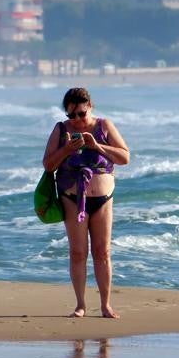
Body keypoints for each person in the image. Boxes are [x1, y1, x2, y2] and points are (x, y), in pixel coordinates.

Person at [42, 87, 131, 318]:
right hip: (72, 198)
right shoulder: (62, 130)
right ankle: (80, 305)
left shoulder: (104, 126)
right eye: (71, 115)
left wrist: (97, 146)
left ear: (89, 106)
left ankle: (105, 305)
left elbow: (124, 157)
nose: (77, 120)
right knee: (78, 252)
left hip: (103, 199)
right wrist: (66, 150)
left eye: (81, 114)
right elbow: (48, 165)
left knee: (102, 252)